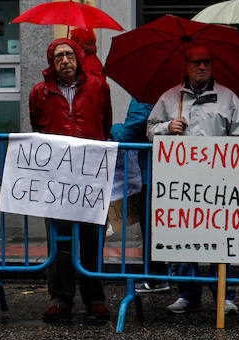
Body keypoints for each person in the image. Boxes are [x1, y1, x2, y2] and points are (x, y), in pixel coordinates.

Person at [146, 44, 239, 314]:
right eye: (195, 62)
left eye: (205, 62)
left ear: (212, 65)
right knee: (184, 236)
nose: (201, 67)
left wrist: (230, 146)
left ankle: (224, 295)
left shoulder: (228, 98)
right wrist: (167, 128)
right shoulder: (169, 98)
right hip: (181, 183)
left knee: (221, 238)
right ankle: (188, 293)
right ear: (186, 66)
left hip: (220, 184)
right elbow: (149, 130)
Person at [29, 38, 113, 324]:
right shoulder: (39, 92)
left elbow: (105, 125)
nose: (65, 60)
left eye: (69, 55)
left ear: (78, 58)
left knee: (92, 237)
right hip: (57, 178)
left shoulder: (99, 87)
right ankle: (60, 298)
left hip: (90, 175)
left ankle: (95, 298)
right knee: (59, 239)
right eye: (58, 56)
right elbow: (37, 127)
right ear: (52, 63)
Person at [110, 97, 170, 294]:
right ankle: (181, 279)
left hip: (152, 172)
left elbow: (130, 132)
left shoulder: (147, 95)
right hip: (178, 170)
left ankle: (157, 278)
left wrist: (114, 128)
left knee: (151, 225)